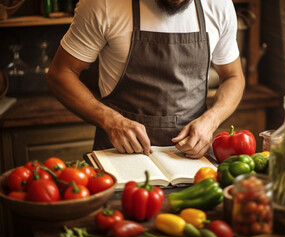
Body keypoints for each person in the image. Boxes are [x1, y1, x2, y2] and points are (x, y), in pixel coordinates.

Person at [47, 0, 245, 159]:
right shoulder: (103, 4)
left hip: (191, 158)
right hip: (118, 155)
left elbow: (233, 76)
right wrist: (110, 120)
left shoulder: (219, 5)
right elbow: (61, 74)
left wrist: (211, 120)